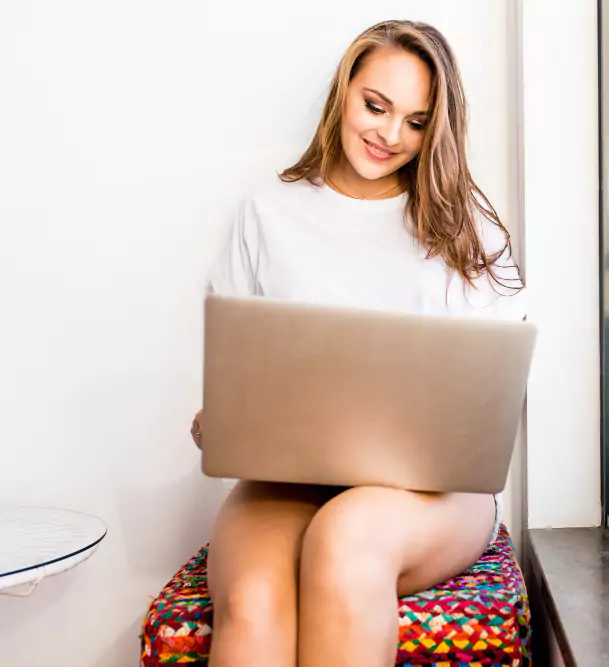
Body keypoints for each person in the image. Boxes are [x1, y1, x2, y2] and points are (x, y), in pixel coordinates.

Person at [189, 20, 525, 667]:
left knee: (346, 542)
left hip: (432, 495)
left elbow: (496, 387)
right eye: (376, 106)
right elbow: (236, 360)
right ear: (343, 92)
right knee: (253, 601)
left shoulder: (464, 227)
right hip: (286, 480)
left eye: (417, 121)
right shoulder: (269, 211)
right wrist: (222, 419)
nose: (390, 135)